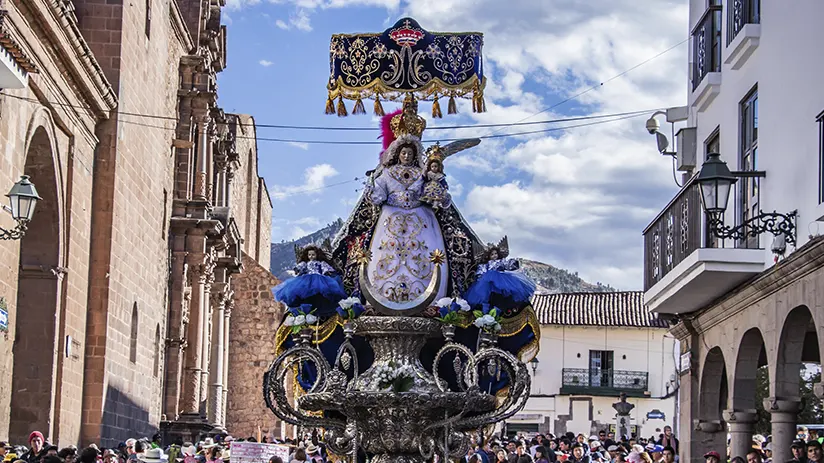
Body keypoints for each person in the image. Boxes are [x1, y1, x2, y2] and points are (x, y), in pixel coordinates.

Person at [273, 245, 346, 314]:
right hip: (307, 278)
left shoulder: (320, 263)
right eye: (309, 255)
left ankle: (319, 306)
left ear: (317, 255)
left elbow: (325, 268)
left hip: (318, 278)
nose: (311, 256)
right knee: (303, 291)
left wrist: (327, 272)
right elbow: (301, 266)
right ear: (307, 255)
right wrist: (297, 269)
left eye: (313, 254)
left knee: (321, 291)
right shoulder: (305, 263)